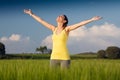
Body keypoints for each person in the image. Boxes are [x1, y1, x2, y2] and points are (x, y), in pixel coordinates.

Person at [24, 9, 102, 69]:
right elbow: (41, 21)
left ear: (64, 21)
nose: (59, 16)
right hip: (53, 57)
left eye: (61, 16)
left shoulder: (67, 29)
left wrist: (91, 20)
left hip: (64, 58)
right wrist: (32, 14)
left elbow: (80, 24)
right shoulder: (53, 29)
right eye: (59, 15)